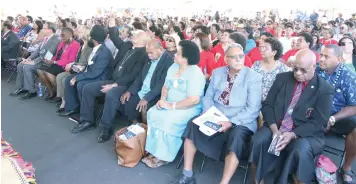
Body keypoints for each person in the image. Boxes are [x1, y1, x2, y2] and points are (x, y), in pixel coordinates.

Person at [172, 43, 262, 184]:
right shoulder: (218, 72)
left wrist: (230, 122)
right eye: (234, 57)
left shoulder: (253, 77)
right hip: (216, 115)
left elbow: (253, 108)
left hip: (241, 120)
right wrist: (210, 115)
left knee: (237, 136)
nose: (239, 59)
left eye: (241, 56)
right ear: (226, 59)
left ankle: (223, 182)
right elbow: (208, 97)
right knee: (193, 124)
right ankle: (187, 174)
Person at [249, 49, 334, 184]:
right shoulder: (283, 78)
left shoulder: (324, 89)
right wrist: (274, 129)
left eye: (303, 70)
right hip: (276, 125)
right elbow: (268, 105)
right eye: (295, 69)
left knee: (300, 150)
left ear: (314, 66)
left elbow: (318, 122)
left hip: (305, 133)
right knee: (258, 140)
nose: (298, 73)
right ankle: (258, 180)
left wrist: (293, 134)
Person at [64, 31, 150, 135]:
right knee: (87, 88)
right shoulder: (128, 46)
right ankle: (87, 120)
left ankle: (105, 129)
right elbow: (115, 37)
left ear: (142, 41)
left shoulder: (143, 54)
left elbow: (133, 76)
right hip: (113, 79)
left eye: (136, 35)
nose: (133, 35)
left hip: (125, 85)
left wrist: (114, 85)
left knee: (111, 94)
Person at [141, 40, 206, 168]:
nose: (174, 55)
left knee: (167, 120)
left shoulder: (195, 73)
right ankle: (154, 150)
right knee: (152, 113)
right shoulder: (173, 67)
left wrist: (172, 106)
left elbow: (194, 100)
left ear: (185, 59)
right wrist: (163, 99)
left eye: (178, 53)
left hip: (187, 108)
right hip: (169, 104)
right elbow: (165, 86)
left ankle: (164, 156)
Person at [97, 40, 174, 142]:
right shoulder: (149, 58)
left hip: (153, 95)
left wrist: (146, 98)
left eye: (151, 53)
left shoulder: (168, 61)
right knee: (117, 97)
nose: (149, 55)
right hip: (141, 90)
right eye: (148, 52)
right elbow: (139, 77)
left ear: (160, 49)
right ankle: (106, 129)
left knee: (137, 107)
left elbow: (161, 85)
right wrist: (130, 91)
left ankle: (140, 135)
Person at [316, 44, 356, 184]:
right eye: (321, 55)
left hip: (337, 116)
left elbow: (354, 106)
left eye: (326, 56)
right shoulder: (317, 69)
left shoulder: (348, 76)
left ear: (338, 59)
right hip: (315, 112)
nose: (321, 59)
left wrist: (332, 118)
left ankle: (346, 167)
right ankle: (302, 163)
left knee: (355, 127)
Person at [9, 22, 60, 100]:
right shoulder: (46, 38)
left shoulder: (56, 39)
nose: (42, 29)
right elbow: (37, 51)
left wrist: (33, 62)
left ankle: (31, 91)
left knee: (27, 67)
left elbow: (47, 55)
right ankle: (22, 87)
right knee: (20, 65)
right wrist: (28, 59)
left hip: (46, 63)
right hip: (40, 60)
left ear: (50, 30)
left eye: (44, 28)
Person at [55, 26, 92, 112]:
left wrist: (72, 65)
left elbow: (85, 63)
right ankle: (64, 101)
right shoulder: (82, 45)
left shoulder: (89, 47)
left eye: (81, 32)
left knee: (65, 79)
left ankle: (71, 103)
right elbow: (76, 60)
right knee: (60, 76)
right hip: (76, 67)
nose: (78, 33)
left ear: (86, 34)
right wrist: (72, 64)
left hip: (81, 70)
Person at [37, 27, 80, 100]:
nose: (61, 37)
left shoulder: (75, 45)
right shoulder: (62, 43)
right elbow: (57, 56)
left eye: (63, 35)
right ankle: (51, 91)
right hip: (56, 63)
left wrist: (54, 62)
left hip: (65, 66)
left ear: (70, 35)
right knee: (39, 71)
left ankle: (59, 92)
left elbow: (71, 61)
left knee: (48, 73)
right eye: (61, 35)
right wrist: (50, 59)